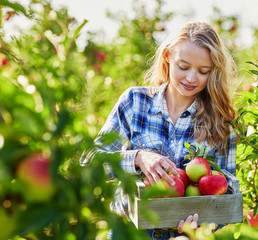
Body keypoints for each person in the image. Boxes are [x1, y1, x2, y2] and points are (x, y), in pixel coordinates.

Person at [81, 21, 237, 240]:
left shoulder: (220, 124)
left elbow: (226, 196)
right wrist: (137, 157)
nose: (191, 78)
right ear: (167, 58)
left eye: (203, 71)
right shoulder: (135, 103)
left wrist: (198, 231)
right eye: (183, 66)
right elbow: (89, 163)